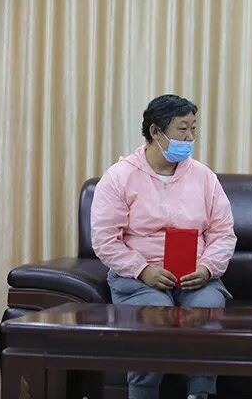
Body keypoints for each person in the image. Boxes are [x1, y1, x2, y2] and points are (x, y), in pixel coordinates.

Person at [91, 94, 237, 399]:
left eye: (193, 128)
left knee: (204, 313)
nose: (190, 137)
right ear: (156, 132)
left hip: (195, 277)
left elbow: (223, 233)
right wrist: (143, 270)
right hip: (139, 279)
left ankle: (200, 393)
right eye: (182, 129)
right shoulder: (119, 178)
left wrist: (206, 268)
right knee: (156, 317)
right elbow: (105, 240)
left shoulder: (204, 177)